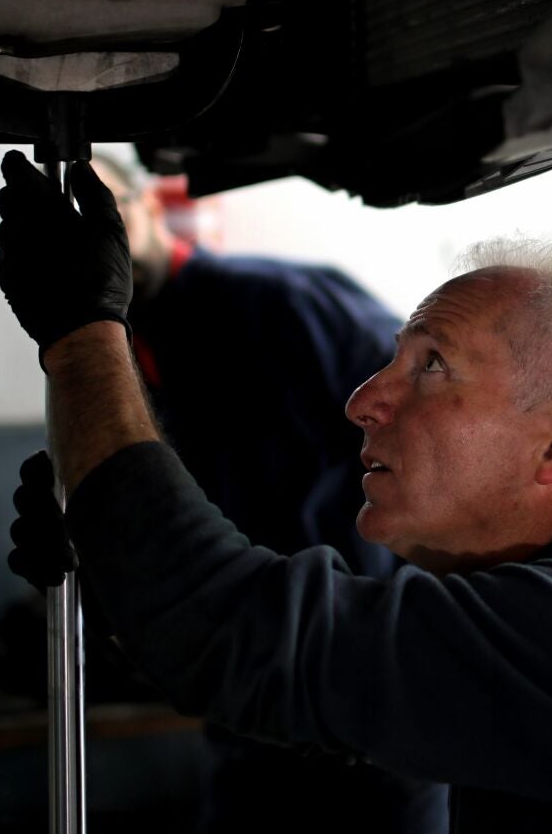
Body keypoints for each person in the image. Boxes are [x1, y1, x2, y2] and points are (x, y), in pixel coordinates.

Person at [0, 151, 552, 831]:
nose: (362, 399)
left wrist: (80, 331)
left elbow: (232, 632)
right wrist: (121, 558)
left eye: (432, 366)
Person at [83, 151, 444, 831]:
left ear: (151, 207)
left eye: (102, 214)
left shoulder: (283, 303)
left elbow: (435, 438)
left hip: (365, 687)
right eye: (69, 231)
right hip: (246, 703)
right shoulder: (120, 353)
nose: (89, 243)